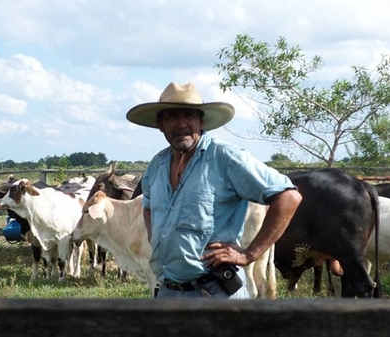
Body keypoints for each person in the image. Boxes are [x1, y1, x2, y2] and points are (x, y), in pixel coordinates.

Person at [126, 82, 302, 299]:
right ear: (160, 124)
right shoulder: (157, 165)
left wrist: (249, 254)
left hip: (216, 290)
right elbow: (149, 207)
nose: (182, 123)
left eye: (189, 116)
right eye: (172, 116)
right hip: (168, 291)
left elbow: (289, 197)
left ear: (201, 121)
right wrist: (159, 241)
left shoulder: (225, 158)